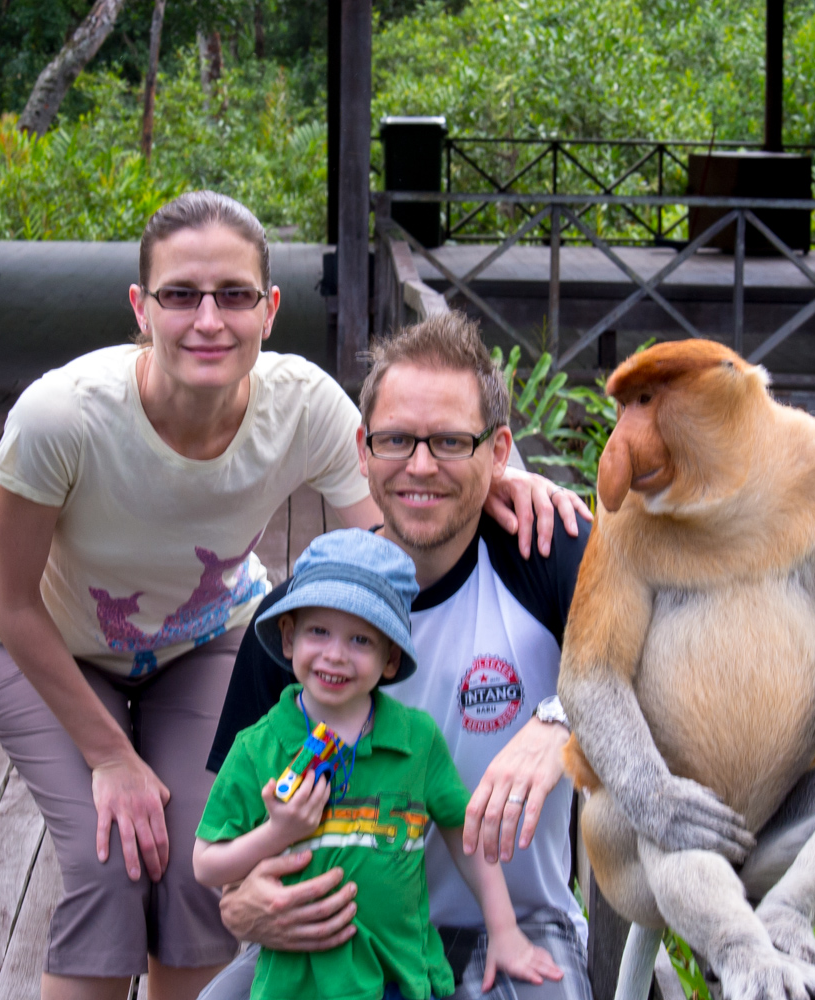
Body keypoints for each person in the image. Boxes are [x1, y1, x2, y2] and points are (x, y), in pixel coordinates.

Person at [0, 191, 587, 1000]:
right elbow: (9, 599)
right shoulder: (62, 417)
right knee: (111, 860)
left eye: (234, 295)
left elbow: (395, 539)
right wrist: (114, 759)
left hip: (202, 637)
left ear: (270, 307)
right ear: (139, 308)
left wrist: (504, 480)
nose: (208, 320)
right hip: (45, 639)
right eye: (180, 295)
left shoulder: (308, 406)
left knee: (188, 863)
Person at [202, 314, 595, 1000]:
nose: (420, 465)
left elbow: (677, 673)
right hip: (335, 925)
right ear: (362, 448)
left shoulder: (548, 553)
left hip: (514, 923)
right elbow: (230, 833)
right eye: (396, 440)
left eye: (449, 441)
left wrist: (565, 719)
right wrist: (240, 904)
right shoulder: (295, 622)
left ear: (499, 450)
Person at [194, 529, 564, 1000]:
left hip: (401, 978)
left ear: (390, 659)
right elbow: (206, 865)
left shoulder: (416, 740)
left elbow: (462, 834)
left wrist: (505, 931)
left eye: (361, 640)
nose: (335, 654)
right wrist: (277, 833)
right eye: (318, 631)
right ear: (288, 638)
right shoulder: (258, 747)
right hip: (295, 985)